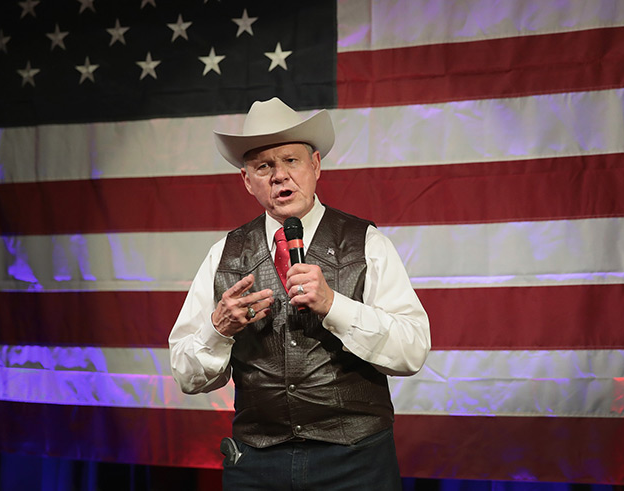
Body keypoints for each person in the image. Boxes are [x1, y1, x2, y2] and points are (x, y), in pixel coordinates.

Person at [168, 98, 431, 490]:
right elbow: (187, 376)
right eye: (264, 166)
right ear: (247, 180)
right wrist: (217, 329)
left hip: (355, 462)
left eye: (291, 160)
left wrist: (333, 305)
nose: (279, 176)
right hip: (257, 465)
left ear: (316, 166)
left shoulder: (366, 243)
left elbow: (412, 351)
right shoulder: (223, 255)